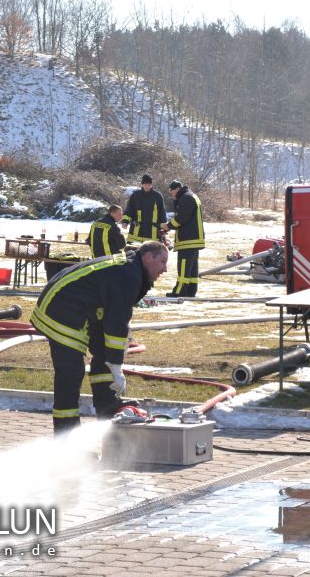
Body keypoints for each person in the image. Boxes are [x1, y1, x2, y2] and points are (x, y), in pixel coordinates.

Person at [31, 240, 169, 434]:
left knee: (104, 356)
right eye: (162, 261)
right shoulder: (129, 274)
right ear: (148, 257)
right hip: (61, 311)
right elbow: (117, 321)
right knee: (70, 375)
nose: (165, 269)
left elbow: (113, 315)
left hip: (81, 310)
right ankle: (65, 439)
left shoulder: (131, 269)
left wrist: (113, 362)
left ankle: (108, 407)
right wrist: (117, 366)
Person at [163, 180, 204, 297]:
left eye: (172, 192)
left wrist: (168, 226)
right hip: (194, 239)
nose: (171, 195)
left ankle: (179, 291)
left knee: (184, 266)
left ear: (177, 189)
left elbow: (181, 218)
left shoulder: (186, 198)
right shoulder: (191, 196)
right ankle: (191, 291)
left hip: (188, 239)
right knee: (192, 268)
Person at [122, 174, 167, 244]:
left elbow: (162, 213)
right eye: (145, 184)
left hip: (153, 232)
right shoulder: (135, 195)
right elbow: (130, 209)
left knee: (151, 252)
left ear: (151, 185)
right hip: (136, 232)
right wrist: (125, 221)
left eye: (149, 184)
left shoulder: (158, 196)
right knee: (134, 252)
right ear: (142, 184)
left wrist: (163, 228)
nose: (147, 186)